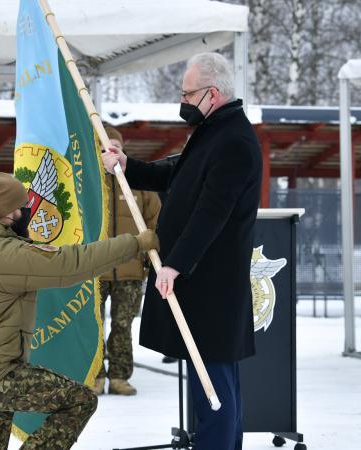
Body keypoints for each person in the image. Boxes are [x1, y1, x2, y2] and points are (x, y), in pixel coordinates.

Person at [102, 52, 261, 450]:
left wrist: (175, 264)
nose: (182, 99)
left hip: (212, 286)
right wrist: (127, 165)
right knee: (208, 379)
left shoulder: (234, 141)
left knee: (215, 386)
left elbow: (212, 214)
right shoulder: (212, 133)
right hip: (201, 285)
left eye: (188, 93)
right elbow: (174, 174)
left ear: (212, 93)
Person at [0, 173, 158, 450]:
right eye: (23, 208)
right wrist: (135, 244)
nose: (26, 215)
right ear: (9, 212)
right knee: (80, 400)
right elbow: (71, 264)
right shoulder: (6, 254)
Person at [92, 126, 161, 396]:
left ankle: (119, 375)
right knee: (93, 324)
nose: (109, 152)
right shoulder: (88, 182)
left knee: (123, 324)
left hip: (130, 268)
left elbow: (155, 221)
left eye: (114, 147)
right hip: (94, 269)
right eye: (103, 147)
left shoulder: (137, 182)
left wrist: (148, 256)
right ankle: (95, 375)